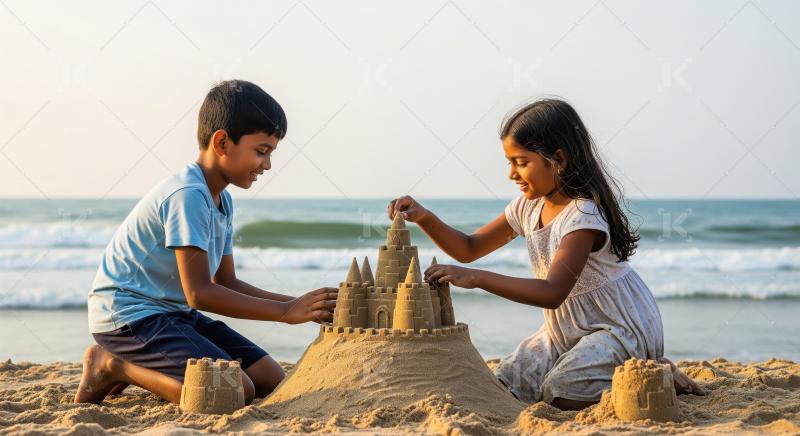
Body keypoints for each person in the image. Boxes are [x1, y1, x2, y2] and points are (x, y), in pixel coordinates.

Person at [388, 98, 703, 410]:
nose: (512, 174)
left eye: (521, 162)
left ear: (558, 160)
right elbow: (469, 248)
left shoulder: (583, 216)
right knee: (508, 382)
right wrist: (424, 216)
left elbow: (552, 293)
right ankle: (618, 366)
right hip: (563, 331)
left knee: (563, 391)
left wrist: (476, 279)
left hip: (616, 327)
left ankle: (649, 371)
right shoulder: (527, 208)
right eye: (509, 162)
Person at [75, 80, 337, 406]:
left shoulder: (222, 200)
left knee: (269, 377)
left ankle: (130, 366)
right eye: (261, 151)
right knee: (233, 391)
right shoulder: (188, 195)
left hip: (173, 314)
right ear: (222, 142)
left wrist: (299, 304)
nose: (267, 165)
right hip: (128, 317)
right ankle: (112, 365)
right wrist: (285, 312)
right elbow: (199, 293)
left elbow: (225, 282)